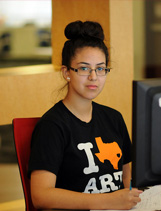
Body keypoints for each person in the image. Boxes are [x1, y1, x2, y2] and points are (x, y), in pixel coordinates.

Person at [28, 20, 142, 210]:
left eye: (100, 68)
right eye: (83, 68)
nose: (93, 77)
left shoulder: (113, 118)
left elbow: (127, 173)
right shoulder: (52, 125)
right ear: (66, 72)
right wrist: (109, 201)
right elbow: (41, 196)